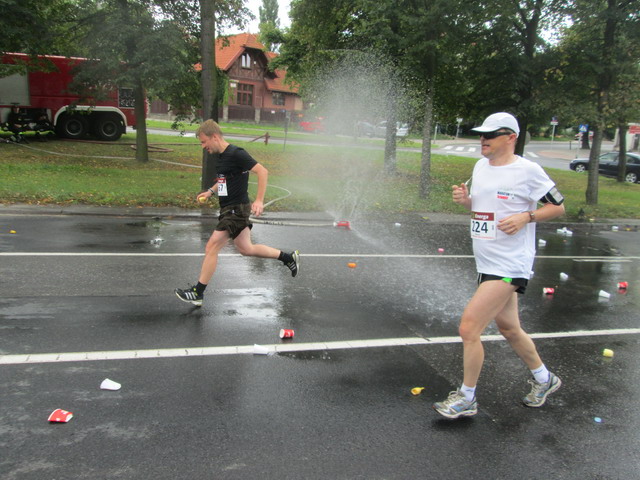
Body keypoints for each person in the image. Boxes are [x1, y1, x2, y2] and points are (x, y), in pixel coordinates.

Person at [433, 112, 565, 419]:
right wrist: (465, 201)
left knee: (469, 328)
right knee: (509, 328)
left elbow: (558, 206)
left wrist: (525, 217)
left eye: (490, 135)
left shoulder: (528, 171)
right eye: (481, 135)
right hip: (486, 260)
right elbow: (480, 209)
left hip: (510, 264)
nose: (483, 140)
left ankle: (467, 398)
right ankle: (545, 380)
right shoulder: (480, 166)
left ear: (510, 138)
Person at [175, 119, 300, 307]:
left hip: (236, 209)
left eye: (203, 142)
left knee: (212, 247)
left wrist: (259, 200)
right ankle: (288, 257)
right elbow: (225, 180)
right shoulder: (222, 156)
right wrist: (210, 191)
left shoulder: (236, 153)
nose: (203, 146)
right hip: (228, 208)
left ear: (214, 137)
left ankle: (197, 292)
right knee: (246, 249)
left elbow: (262, 171)